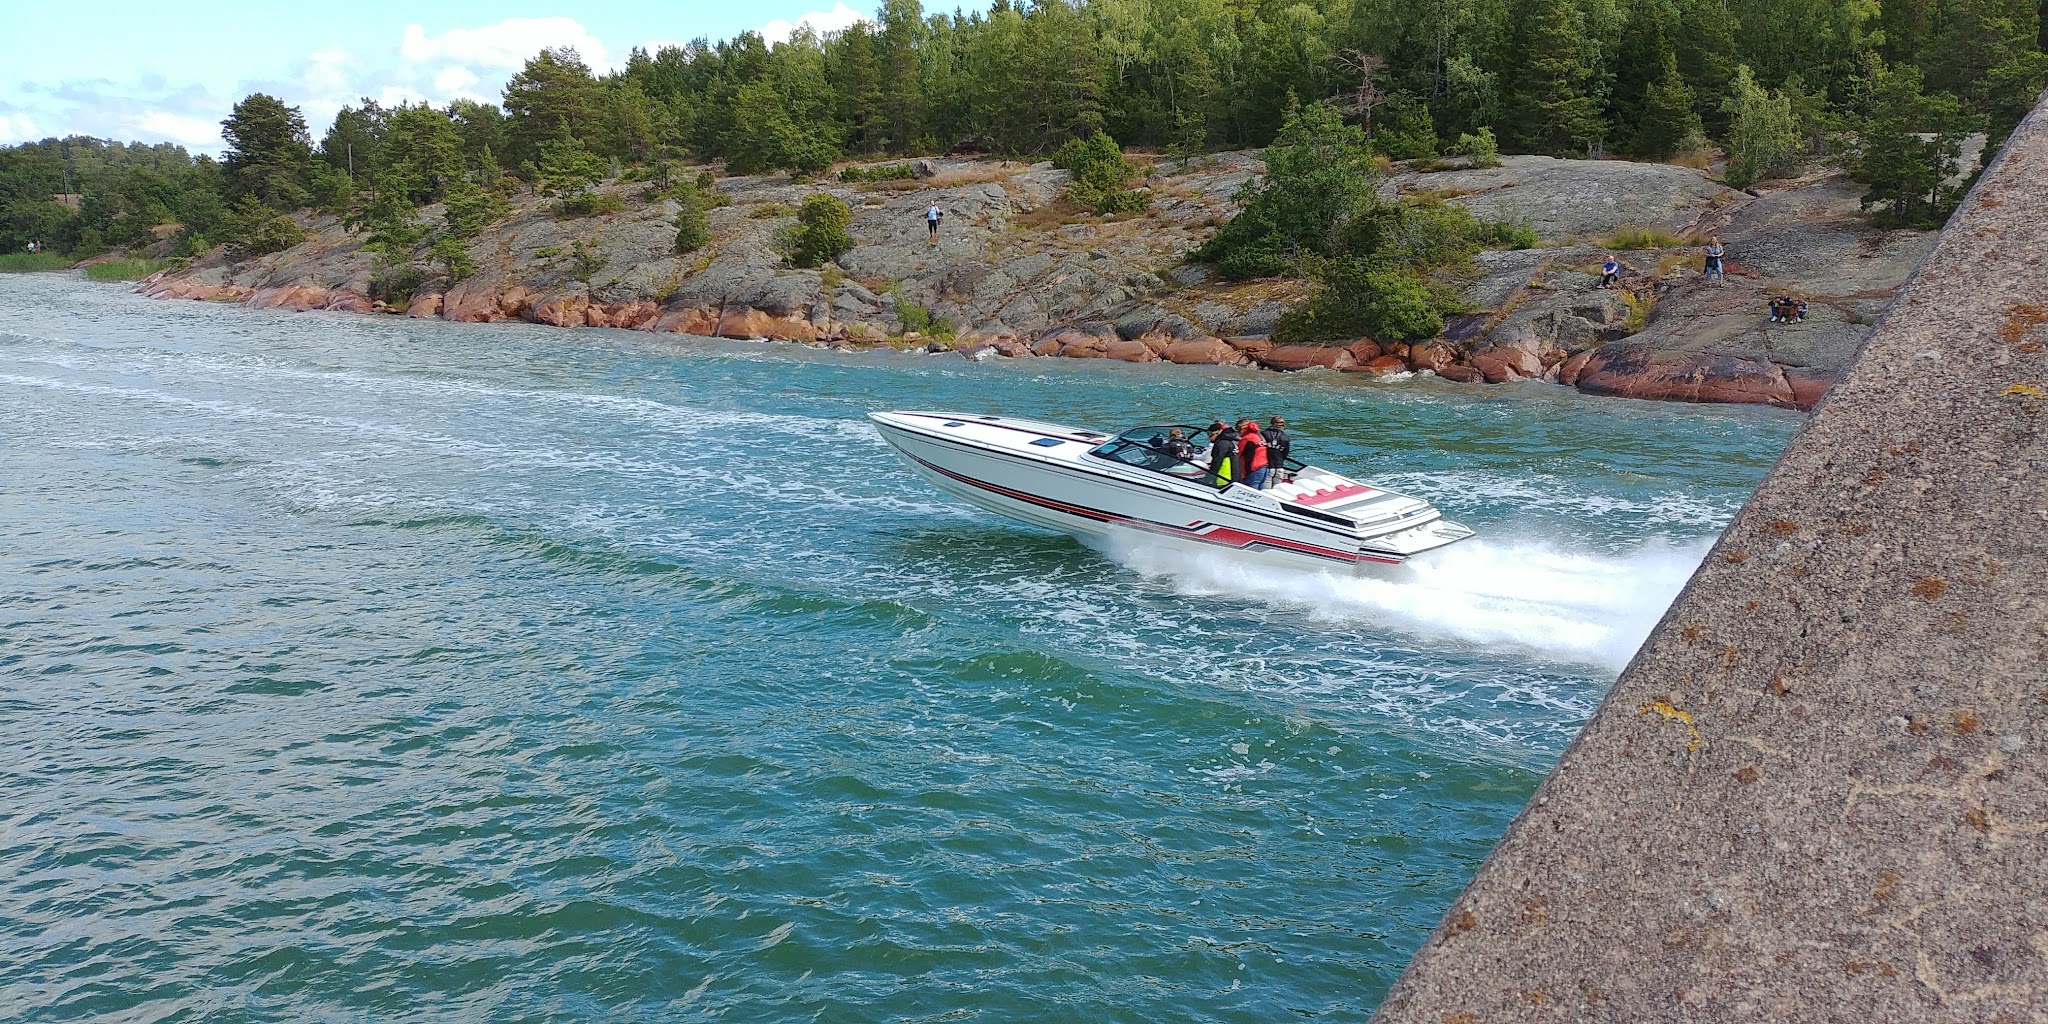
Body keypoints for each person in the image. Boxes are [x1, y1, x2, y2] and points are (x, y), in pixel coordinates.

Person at [1237, 419, 1270, 489]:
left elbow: (1238, 453)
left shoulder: (1247, 438)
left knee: (1250, 493)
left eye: (1238, 429)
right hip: (1264, 467)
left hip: (1254, 469)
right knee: (1260, 492)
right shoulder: (1259, 437)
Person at [1205, 420, 1238, 486]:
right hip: (1233, 476)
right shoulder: (1229, 441)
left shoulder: (1222, 444)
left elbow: (1217, 461)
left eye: (1210, 434)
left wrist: (1208, 478)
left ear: (1217, 433)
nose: (1208, 437)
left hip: (1224, 479)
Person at [1264, 416, 1291, 483]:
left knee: (1266, 488)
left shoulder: (1263, 434)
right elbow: (1285, 453)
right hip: (1279, 466)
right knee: (1276, 488)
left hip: (1267, 466)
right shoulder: (1285, 437)